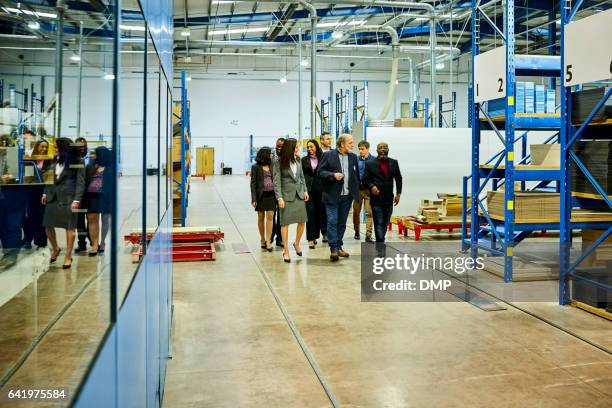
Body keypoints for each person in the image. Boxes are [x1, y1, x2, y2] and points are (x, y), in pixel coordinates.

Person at [42, 137, 86, 268]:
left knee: (70, 227)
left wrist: (77, 200)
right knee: (48, 225)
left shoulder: (78, 161)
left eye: (56, 147)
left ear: (64, 148)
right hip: (52, 197)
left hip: (68, 199)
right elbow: (49, 177)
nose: (55, 149)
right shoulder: (55, 159)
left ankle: (68, 256)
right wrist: (45, 192)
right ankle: (55, 248)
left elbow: (81, 182)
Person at [317, 134, 360, 262]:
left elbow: (355, 175)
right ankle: (334, 249)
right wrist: (333, 175)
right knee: (332, 221)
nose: (353, 145)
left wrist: (356, 190)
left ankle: (339, 246)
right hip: (331, 195)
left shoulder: (353, 157)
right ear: (342, 144)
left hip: (347, 197)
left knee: (341, 223)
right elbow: (320, 172)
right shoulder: (328, 155)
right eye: (350, 143)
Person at [273, 138, 309, 263]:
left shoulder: (298, 159)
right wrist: (279, 198)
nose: (298, 149)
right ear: (290, 148)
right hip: (286, 196)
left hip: (299, 194)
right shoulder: (278, 162)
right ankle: (286, 251)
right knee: (285, 223)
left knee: (302, 221)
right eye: (296, 147)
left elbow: (301, 177)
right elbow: (276, 182)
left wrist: (305, 190)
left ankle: (297, 243)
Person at [363, 142, 403, 245]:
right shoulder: (370, 164)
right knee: (378, 222)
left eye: (385, 147)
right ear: (377, 150)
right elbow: (365, 180)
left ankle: (381, 240)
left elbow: (398, 178)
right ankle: (380, 244)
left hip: (389, 198)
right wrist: (372, 186)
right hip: (376, 199)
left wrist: (398, 194)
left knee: (385, 223)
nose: (383, 149)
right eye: (380, 148)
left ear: (388, 150)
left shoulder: (394, 162)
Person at [23, 140, 52, 249]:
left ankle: (41, 242)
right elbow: (28, 178)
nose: (44, 149)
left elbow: (49, 178)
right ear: (37, 147)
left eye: (46, 147)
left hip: (44, 192)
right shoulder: (31, 160)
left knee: (42, 218)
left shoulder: (49, 161)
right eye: (42, 147)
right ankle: (28, 239)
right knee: (30, 216)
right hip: (31, 191)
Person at [83, 146, 112, 256]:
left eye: (96, 154)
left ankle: (103, 242)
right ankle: (94, 244)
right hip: (92, 197)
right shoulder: (90, 166)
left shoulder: (110, 168)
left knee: (105, 220)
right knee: (92, 219)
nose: (93, 156)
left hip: (106, 197)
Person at [301, 139, 326, 249]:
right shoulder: (304, 160)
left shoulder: (323, 158)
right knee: (310, 213)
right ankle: (311, 238)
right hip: (309, 190)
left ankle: (324, 233)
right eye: (308, 147)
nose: (309, 149)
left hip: (322, 190)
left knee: (322, 212)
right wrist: (303, 190)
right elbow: (301, 177)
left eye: (311, 147)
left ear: (316, 146)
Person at [250, 147, 275, 251]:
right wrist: (254, 199)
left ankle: (268, 240)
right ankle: (262, 239)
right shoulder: (255, 167)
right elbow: (253, 183)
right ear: (265, 155)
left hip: (271, 195)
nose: (271, 155)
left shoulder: (272, 165)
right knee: (261, 217)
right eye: (270, 153)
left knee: (270, 217)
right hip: (261, 195)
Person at [353, 140, 375, 242]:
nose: (360, 151)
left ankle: (368, 234)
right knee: (356, 212)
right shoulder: (356, 160)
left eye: (362, 149)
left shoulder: (374, 160)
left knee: (369, 213)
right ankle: (357, 231)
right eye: (359, 149)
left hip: (368, 191)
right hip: (357, 191)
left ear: (367, 149)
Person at [74, 137, 89, 253]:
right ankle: (82, 242)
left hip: (91, 192)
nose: (81, 148)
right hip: (80, 194)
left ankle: (92, 239)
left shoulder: (89, 157)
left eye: (83, 146)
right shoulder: (74, 159)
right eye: (79, 146)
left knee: (91, 219)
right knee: (80, 220)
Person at [270, 137, 285, 247]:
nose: (279, 148)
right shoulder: (271, 156)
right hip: (271, 189)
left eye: (281, 146)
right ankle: (270, 236)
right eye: (277, 146)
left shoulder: (287, 157)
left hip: (283, 190)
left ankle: (279, 238)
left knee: (281, 216)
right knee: (271, 215)